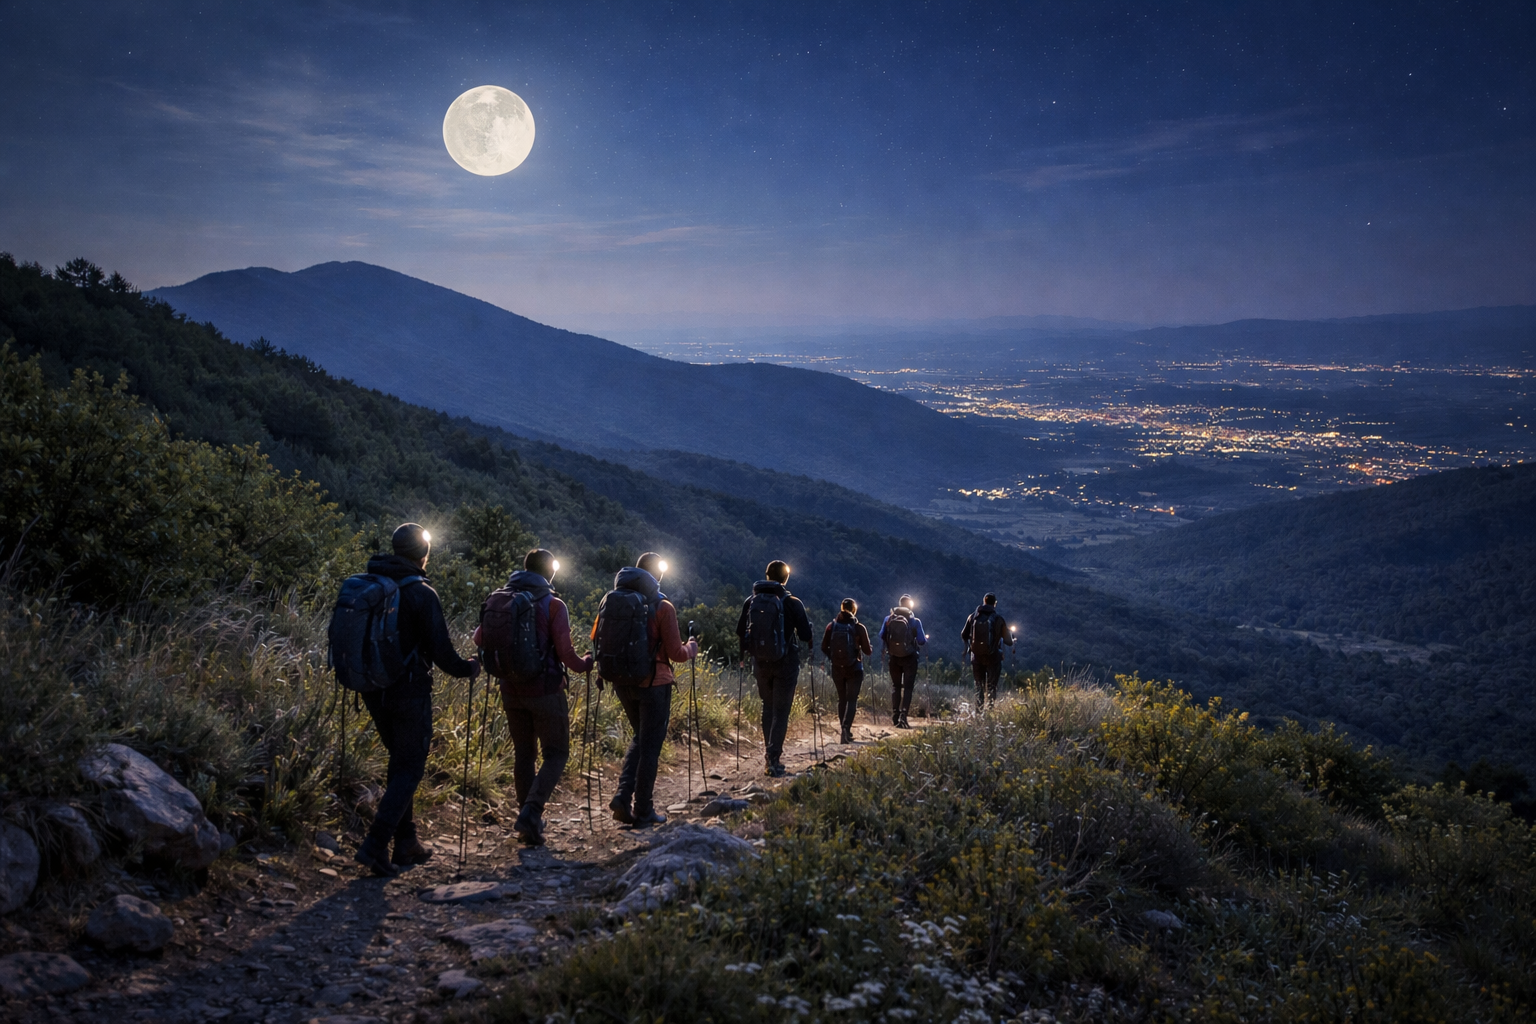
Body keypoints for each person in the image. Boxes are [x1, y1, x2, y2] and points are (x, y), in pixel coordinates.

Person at [354, 523, 481, 876]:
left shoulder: (372, 582)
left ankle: (405, 842)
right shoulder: (422, 592)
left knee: (399, 764)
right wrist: (470, 668)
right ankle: (375, 844)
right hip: (408, 691)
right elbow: (443, 654)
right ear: (424, 555)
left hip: (372, 688)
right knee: (409, 768)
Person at [472, 549, 592, 846]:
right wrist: (587, 663)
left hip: (510, 690)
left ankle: (528, 822)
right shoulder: (553, 604)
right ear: (550, 572)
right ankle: (531, 812)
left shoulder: (500, 598)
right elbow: (567, 655)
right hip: (545, 691)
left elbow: (478, 638)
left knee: (524, 755)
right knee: (557, 753)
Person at [597, 552, 698, 827]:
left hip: (621, 681)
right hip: (654, 683)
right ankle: (643, 810)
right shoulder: (663, 607)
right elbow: (676, 653)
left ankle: (622, 796)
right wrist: (692, 648)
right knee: (650, 747)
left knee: (640, 739)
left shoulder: (610, 600)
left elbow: (597, 639)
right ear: (659, 575)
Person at [736, 560, 813, 776]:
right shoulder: (793, 603)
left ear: (767, 575)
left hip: (760, 662)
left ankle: (768, 752)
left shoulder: (751, 601)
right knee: (781, 710)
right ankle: (773, 757)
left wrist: (744, 657)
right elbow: (806, 635)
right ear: (785, 578)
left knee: (767, 707)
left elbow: (741, 632)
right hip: (786, 664)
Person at [820, 598, 873, 744]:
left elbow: (823, 647)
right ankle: (846, 729)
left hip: (837, 668)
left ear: (841, 608)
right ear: (854, 610)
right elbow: (868, 651)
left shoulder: (832, 626)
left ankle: (844, 730)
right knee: (852, 699)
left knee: (842, 699)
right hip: (854, 668)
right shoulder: (858, 627)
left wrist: (834, 658)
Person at [879, 594, 927, 728]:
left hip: (893, 657)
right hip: (910, 658)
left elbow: (882, 635)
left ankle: (895, 714)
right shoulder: (915, 621)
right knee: (908, 688)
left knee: (896, 686)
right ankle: (903, 716)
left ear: (899, 604)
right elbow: (922, 641)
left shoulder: (888, 619)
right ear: (910, 606)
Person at [961, 593, 1014, 710]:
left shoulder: (972, 617)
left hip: (976, 658)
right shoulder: (999, 619)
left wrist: (969, 648)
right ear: (995, 604)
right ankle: (989, 711)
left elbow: (963, 635)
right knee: (991, 686)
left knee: (978, 686)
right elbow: (1008, 642)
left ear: (984, 602)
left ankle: (978, 712)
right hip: (993, 658)